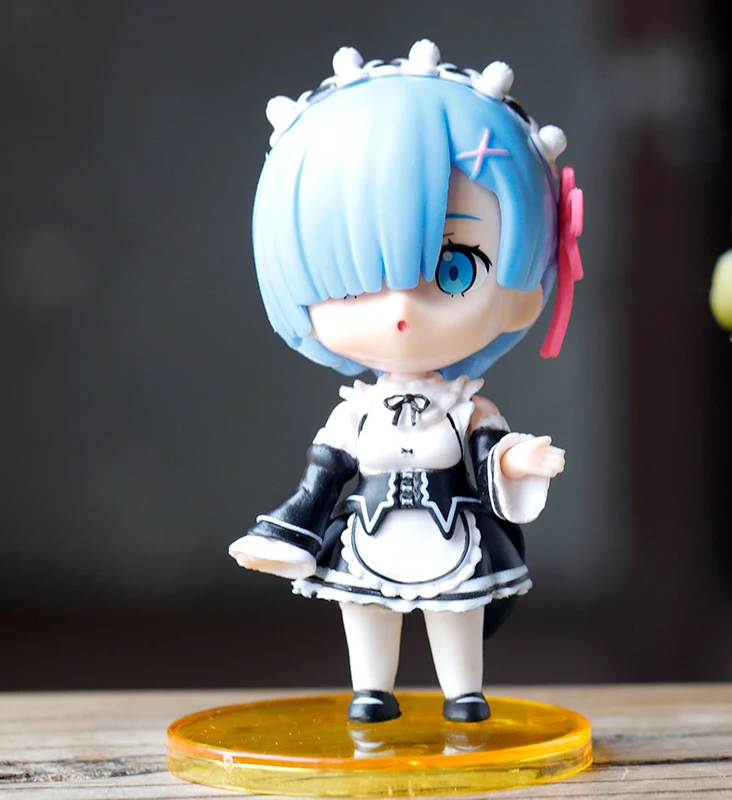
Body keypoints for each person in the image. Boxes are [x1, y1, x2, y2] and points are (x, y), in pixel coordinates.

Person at [229, 39, 583, 724]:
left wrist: (519, 459)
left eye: (455, 270)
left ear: (522, 282)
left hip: (451, 531)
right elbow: (321, 480)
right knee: (365, 609)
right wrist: (286, 533)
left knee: (456, 610)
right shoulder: (355, 414)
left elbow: (489, 451)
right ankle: (372, 689)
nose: (400, 309)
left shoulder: (462, 406)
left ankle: (464, 692)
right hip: (370, 531)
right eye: (353, 279)